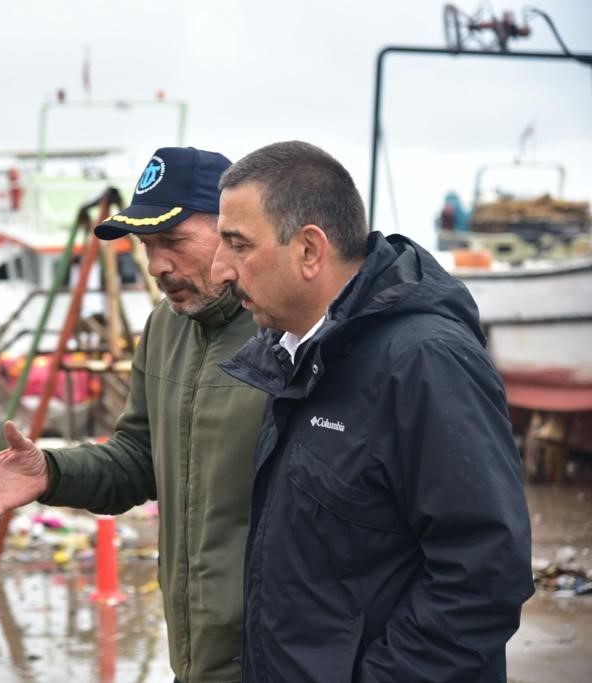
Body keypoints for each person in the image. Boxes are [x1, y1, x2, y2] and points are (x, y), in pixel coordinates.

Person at [0, 146, 268, 683]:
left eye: (174, 242)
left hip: (282, 652)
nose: (157, 264)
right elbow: (140, 458)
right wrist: (52, 472)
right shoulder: (166, 328)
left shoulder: (287, 331)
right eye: (146, 245)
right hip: (196, 650)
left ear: (232, 230)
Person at [210, 140, 534, 682]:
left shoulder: (424, 361)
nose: (220, 269)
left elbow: (484, 575)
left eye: (237, 245)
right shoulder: (295, 355)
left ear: (310, 250)